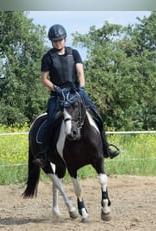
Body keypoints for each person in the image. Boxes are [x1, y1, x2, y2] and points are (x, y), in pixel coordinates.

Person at [33, 24, 120, 168]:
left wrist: (82, 88)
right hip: (58, 94)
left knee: (96, 115)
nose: (58, 43)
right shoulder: (48, 57)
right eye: (55, 41)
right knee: (50, 121)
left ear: (65, 39)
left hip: (75, 91)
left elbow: (80, 72)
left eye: (60, 40)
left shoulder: (74, 53)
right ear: (51, 41)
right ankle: (43, 154)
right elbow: (44, 79)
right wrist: (56, 89)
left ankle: (106, 148)